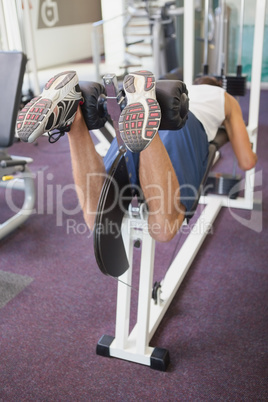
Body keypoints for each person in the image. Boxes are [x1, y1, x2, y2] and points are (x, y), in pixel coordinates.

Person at [16, 70, 257, 242]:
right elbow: (246, 161)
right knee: (163, 228)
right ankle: (147, 126)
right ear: (215, 85)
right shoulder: (224, 98)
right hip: (183, 126)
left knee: (100, 220)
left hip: (133, 119)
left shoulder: (184, 89)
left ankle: (74, 120)